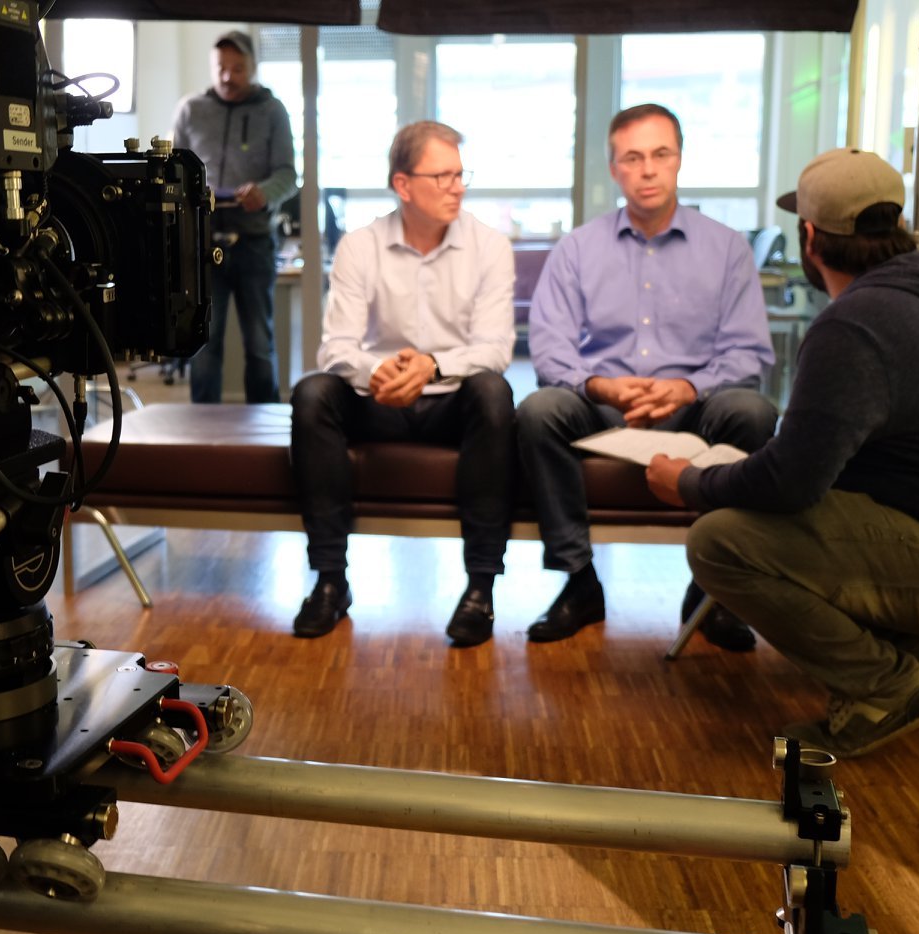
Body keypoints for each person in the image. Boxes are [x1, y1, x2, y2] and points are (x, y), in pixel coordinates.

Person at [645, 148, 919, 758]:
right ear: (898, 226)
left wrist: (689, 482)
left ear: (809, 238)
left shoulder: (856, 324)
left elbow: (790, 482)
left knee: (719, 541)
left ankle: (886, 688)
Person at [516, 103, 778, 647]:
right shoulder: (578, 249)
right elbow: (549, 346)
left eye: (661, 154)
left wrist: (688, 387)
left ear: (680, 159)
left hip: (695, 405)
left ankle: (711, 588)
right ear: (614, 169)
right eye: (633, 158)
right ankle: (579, 581)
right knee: (539, 410)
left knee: (753, 411)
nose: (649, 169)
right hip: (602, 405)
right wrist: (598, 386)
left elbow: (749, 351)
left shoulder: (726, 248)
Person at [289, 122, 515, 645]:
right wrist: (379, 373)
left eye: (461, 174)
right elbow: (336, 346)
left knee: (494, 392)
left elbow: (495, 349)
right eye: (443, 176)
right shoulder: (360, 246)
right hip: (379, 400)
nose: (457, 187)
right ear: (403, 184)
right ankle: (330, 581)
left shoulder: (489, 246)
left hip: (452, 401)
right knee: (313, 393)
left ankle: (481, 589)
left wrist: (431, 366)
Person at [171, 30, 298, 405]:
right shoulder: (190, 109)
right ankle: (203, 428)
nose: (227, 76)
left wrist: (264, 193)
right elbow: (174, 171)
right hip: (201, 248)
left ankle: (267, 427)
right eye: (221, 68)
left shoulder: (273, 111)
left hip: (254, 246)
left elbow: (288, 175)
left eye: (237, 68)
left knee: (259, 345)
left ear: (253, 67)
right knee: (204, 344)